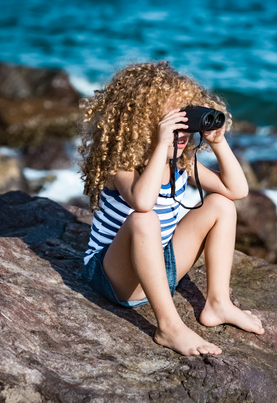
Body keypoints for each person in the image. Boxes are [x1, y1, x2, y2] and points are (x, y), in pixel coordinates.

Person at [78, 61, 264, 356]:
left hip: (159, 268)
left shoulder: (181, 162)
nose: (183, 128)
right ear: (142, 124)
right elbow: (142, 202)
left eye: (186, 118)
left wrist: (218, 142)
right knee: (144, 220)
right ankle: (168, 326)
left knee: (221, 205)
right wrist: (161, 146)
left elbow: (237, 190)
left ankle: (218, 303)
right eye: (172, 121)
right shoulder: (122, 167)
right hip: (112, 276)